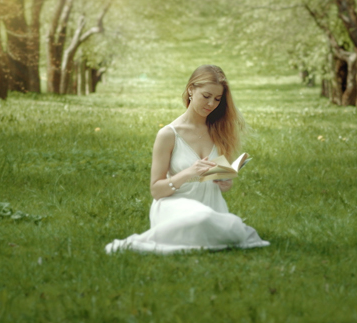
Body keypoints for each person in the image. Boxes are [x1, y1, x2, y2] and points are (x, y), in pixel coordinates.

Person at [105, 65, 270, 254]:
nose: (211, 104)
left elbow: (225, 182)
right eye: (206, 96)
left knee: (232, 225)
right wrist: (189, 173)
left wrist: (225, 182)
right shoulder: (168, 134)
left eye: (217, 99)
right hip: (174, 206)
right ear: (191, 90)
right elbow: (156, 190)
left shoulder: (220, 131)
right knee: (205, 219)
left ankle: (215, 228)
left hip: (212, 206)